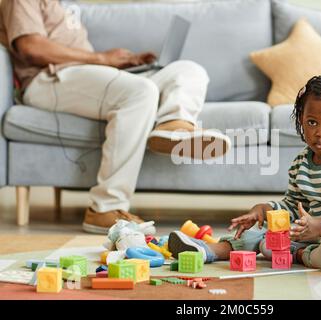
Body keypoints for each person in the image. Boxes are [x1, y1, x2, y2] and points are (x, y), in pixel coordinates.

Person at [0, 0, 231, 234]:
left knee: (188, 70)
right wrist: (103, 59)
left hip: (82, 75)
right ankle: (104, 208)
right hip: (48, 80)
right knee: (141, 91)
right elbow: (31, 48)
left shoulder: (61, 5)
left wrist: (121, 67)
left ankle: (174, 125)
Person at [168, 75, 321, 273]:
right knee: (259, 231)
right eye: (312, 122)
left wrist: (318, 227)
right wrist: (264, 211)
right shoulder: (301, 163)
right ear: (301, 121)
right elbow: (291, 206)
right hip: (315, 233)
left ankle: (299, 255)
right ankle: (210, 250)